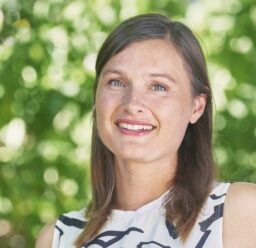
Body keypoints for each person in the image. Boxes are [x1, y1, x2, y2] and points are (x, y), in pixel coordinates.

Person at [36, 13, 256, 248]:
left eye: (158, 87)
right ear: (96, 96)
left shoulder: (239, 212)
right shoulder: (59, 238)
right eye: (116, 82)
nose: (132, 104)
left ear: (197, 106)